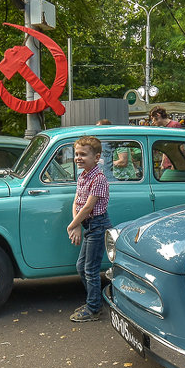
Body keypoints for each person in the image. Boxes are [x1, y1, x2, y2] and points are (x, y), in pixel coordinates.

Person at [66, 135, 109, 323]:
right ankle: (95, 302)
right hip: (87, 225)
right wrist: (76, 226)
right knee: (81, 267)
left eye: (83, 154)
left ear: (96, 157)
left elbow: (88, 207)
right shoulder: (83, 176)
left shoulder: (98, 179)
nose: (78, 158)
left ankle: (94, 309)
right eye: (76, 154)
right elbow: (77, 200)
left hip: (98, 226)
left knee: (90, 269)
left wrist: (72, 225)